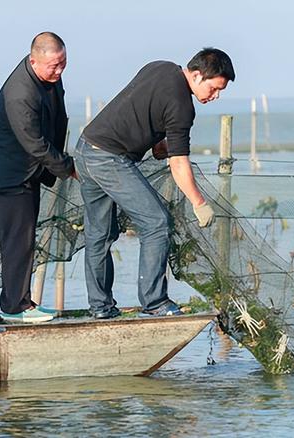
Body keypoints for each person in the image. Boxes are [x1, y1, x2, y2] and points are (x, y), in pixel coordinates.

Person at [74, 48, 235, 319]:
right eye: (214, 88)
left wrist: (157, 142)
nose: (215, 96)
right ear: (196, 76)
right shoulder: (183, 107)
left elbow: (142, 106)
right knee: (157, 223)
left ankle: (101, 309)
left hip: (85, 149)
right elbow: (178, 164)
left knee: (99, 235)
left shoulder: (161, 67)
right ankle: (155, 302)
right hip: (109, 159)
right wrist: (199, 203)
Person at [0, 32, 76, 323]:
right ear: (34, 60)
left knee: (24, 239)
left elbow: (58, 120)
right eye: (53, 66)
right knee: (18, 241)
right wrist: (68, 167)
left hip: (28, 172)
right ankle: (15, 307)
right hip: (7, 176)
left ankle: (20, 303)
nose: (59, 71)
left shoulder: (49, 79)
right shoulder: (20, 92)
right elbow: (33, 143)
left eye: (63, 63)